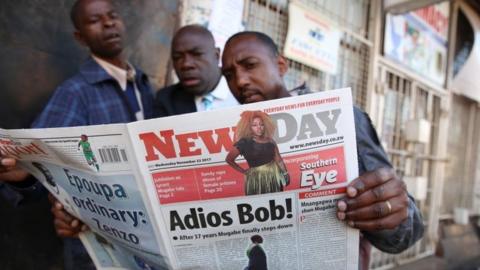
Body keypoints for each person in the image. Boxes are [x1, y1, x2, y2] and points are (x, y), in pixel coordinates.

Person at [221, 31, 424, 269]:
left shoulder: (341, 118)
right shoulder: (234, 132)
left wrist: (393, 215)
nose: (240, 81)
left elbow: (408, 231)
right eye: (228, 74)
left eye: (250, 65)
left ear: (281, 65)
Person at [0, 0, 155, 269]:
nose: (108, 23)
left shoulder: (142, 83)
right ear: (80, 37)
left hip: (147, 242)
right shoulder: (76, 92)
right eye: (95, 21)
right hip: (99, 250)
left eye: (112, 16)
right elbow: (34, 165)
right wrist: (23, 175)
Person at [155, 24, 238, 116]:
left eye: (197, 54)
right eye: (177, 57)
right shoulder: (166, 101)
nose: (186, 64)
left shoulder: (242, 90)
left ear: (216, 55)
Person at [226, 110, 289, 195]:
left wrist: (285, 173)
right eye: (254, 125)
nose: (259, 127)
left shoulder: (270, 141)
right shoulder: (244, 142)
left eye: (261, 124)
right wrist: (243, 171)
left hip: (274, 176)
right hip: (256, 179)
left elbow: (279, 160)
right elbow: (229, 159)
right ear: (248, 127)